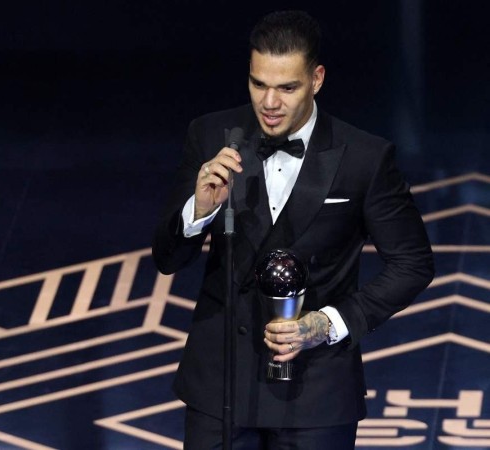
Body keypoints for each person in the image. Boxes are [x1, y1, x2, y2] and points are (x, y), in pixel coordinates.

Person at [152, 10, 434, 449]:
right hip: (222, 387)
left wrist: (327, 323)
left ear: (317, 79)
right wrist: (199, 210)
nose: (269, 103)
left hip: (317, 391)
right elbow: (167, 259)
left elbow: (413, 264)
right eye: (258, 84)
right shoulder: (211, 136)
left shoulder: (364, 157)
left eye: (287, 87)